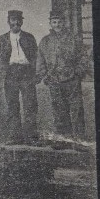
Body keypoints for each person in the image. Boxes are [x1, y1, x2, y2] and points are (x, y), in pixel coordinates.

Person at [36, 9, 88, 141]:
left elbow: (83, 57)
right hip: (54, 80)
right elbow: (40, 60)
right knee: (59, 110)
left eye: (60, 22)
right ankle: (63, 138)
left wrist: (78, 71)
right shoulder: (45, 41)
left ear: (64, 23)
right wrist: (45, 75)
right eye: (54, 22)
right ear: (50, 23)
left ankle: (79, 138)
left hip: (71, 79)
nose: (57, 24)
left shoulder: (73, 39)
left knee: (76, 110)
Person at [0, 9, 39, 144]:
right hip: (10, 74)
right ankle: (14, 137)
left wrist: (35, 75)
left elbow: (36, 57)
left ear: (22, 22)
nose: (16, 23)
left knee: (30, 105)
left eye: (19, 20)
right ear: (8, 22)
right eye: (13, 20)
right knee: (12, 105)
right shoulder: (1, 39)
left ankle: (31, 137)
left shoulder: (29, 38)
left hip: (26, 73)